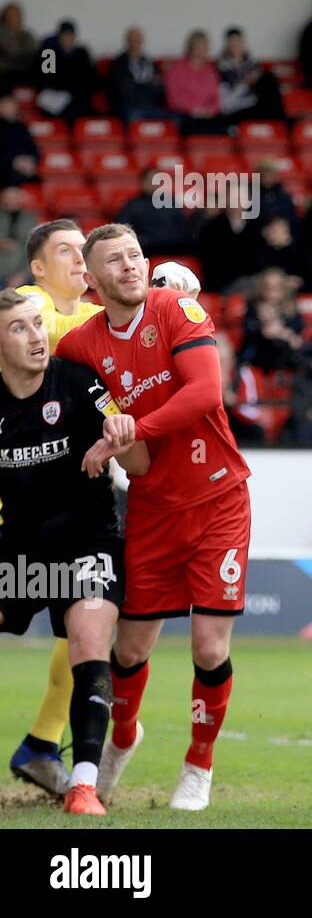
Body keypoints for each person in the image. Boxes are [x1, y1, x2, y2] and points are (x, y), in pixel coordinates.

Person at [57, 224, 253, 813]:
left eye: (136, 255)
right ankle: (120, 740)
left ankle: (198, 766)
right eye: (114, 261)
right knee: (131, 648)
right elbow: (43, 373)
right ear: (91, 281)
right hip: (150, 508)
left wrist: (131, 429)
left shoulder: (178, 310)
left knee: (208, 648)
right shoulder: (82, 345)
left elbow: (205, 394)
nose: (130, 266)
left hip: (219, 500)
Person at [0, 290, 150, 816]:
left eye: (37, 325)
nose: (37, 335)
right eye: (19, 328)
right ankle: (39, 752)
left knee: (90, 639)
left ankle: (83, 785)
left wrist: (122, 434)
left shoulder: (78, 381)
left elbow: (143, 460)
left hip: (87, 540)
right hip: (16, 552)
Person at [6, 219, 107, 796]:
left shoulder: (97, 320)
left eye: (84, 251)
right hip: (15, 500)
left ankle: (43, 743)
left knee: (86, 627)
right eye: (66, 251)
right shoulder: (32, 303)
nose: (79, 258)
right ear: (38, 267)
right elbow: (42, 329)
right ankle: (42, 743)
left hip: (72, 506)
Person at [116, 166, 199, 258]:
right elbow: (123, 230)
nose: (155, 184)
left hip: (174, 248)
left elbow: (184, 229)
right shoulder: (132, 206)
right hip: (148, 250)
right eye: (151, 180)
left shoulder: (172, 202)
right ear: (142, 182)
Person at [217, 27, 286, 123]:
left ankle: (283, 123)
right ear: (227, 45)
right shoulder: (220, 69)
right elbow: (226, 105)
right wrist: (244, 84)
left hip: (256, 106)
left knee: (268, 77)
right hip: (236, 110)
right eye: (231, 43)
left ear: (243, 43)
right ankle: (284, 122)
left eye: (237, 42)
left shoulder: (253, 65)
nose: (235, 46)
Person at [165, 31, 225, 136]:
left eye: (204, 46)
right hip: (184, 114)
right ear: (190, 47)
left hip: (208, 115)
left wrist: (210, 110)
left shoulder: (211, 70)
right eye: (198, 46)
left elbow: (216, 97)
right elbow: (173, 99)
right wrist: (194, 110)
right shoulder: (176, 69)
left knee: (222, 128)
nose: (202, 49)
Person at [36, 20, 98, 121]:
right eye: (64, 36)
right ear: (58, 37)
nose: (67, 39)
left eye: (70, 36)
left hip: (78, 99)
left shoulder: (82, 54)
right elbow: (46, 81)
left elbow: (92, 80)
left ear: (74, 37)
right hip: (55, 101)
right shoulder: (49, 55)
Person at [107, 27, 169, 123]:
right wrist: (149, 84)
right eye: (132, 40)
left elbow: (160, 88)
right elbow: (123, 92)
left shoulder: (149, 62)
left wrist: (138, 85)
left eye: (138, 40)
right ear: (127, 42)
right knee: (135, 117)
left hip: (151, 106)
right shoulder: (118, 64)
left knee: (174, 120)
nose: (135, 43)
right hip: (128, 108)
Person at [0, 92, 39, 188]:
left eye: (12, 105)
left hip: (24, 169)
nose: (10, 108)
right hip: (5, 170)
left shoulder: (22, 127)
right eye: (6, 105)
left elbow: (33, 149)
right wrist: (15, 161)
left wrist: (30, 160)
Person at [0, 184, 36, 282]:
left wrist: (22, 275)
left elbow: (33, 251)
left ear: (21, 197)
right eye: (8, 197)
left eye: (14, 197)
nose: (11, 200)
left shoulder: (30, 218)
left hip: (21, 274)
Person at [0, 1, 38, 93]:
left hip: (26, 69)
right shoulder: (2, 33)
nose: (15, 18)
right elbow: (11, 52)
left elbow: (34, 51)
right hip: (7, 71)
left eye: (17, 15)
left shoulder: (27, 34)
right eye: (11, 15)